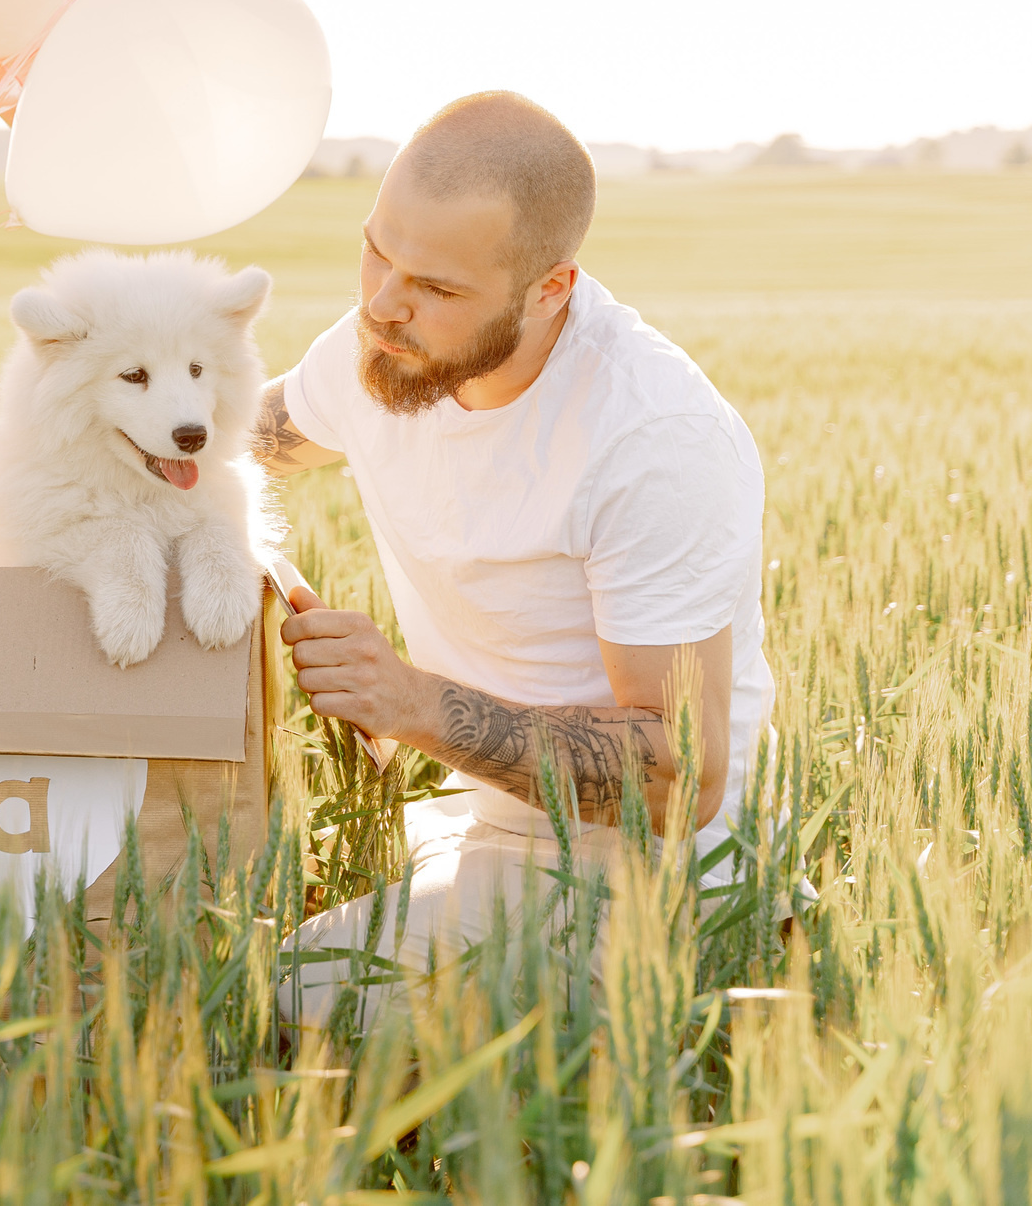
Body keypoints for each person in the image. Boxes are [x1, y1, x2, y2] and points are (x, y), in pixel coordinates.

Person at [252, 91, 773, 1028]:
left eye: (438, 288)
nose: (382, 303)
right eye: (376, 249)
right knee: (215, 925)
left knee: (293, 993)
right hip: (483, 816)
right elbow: (242, 439)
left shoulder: (652, 439)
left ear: (551, 290)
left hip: (643, 866)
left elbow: (679, 779)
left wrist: (407, 703)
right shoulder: (389, 343)